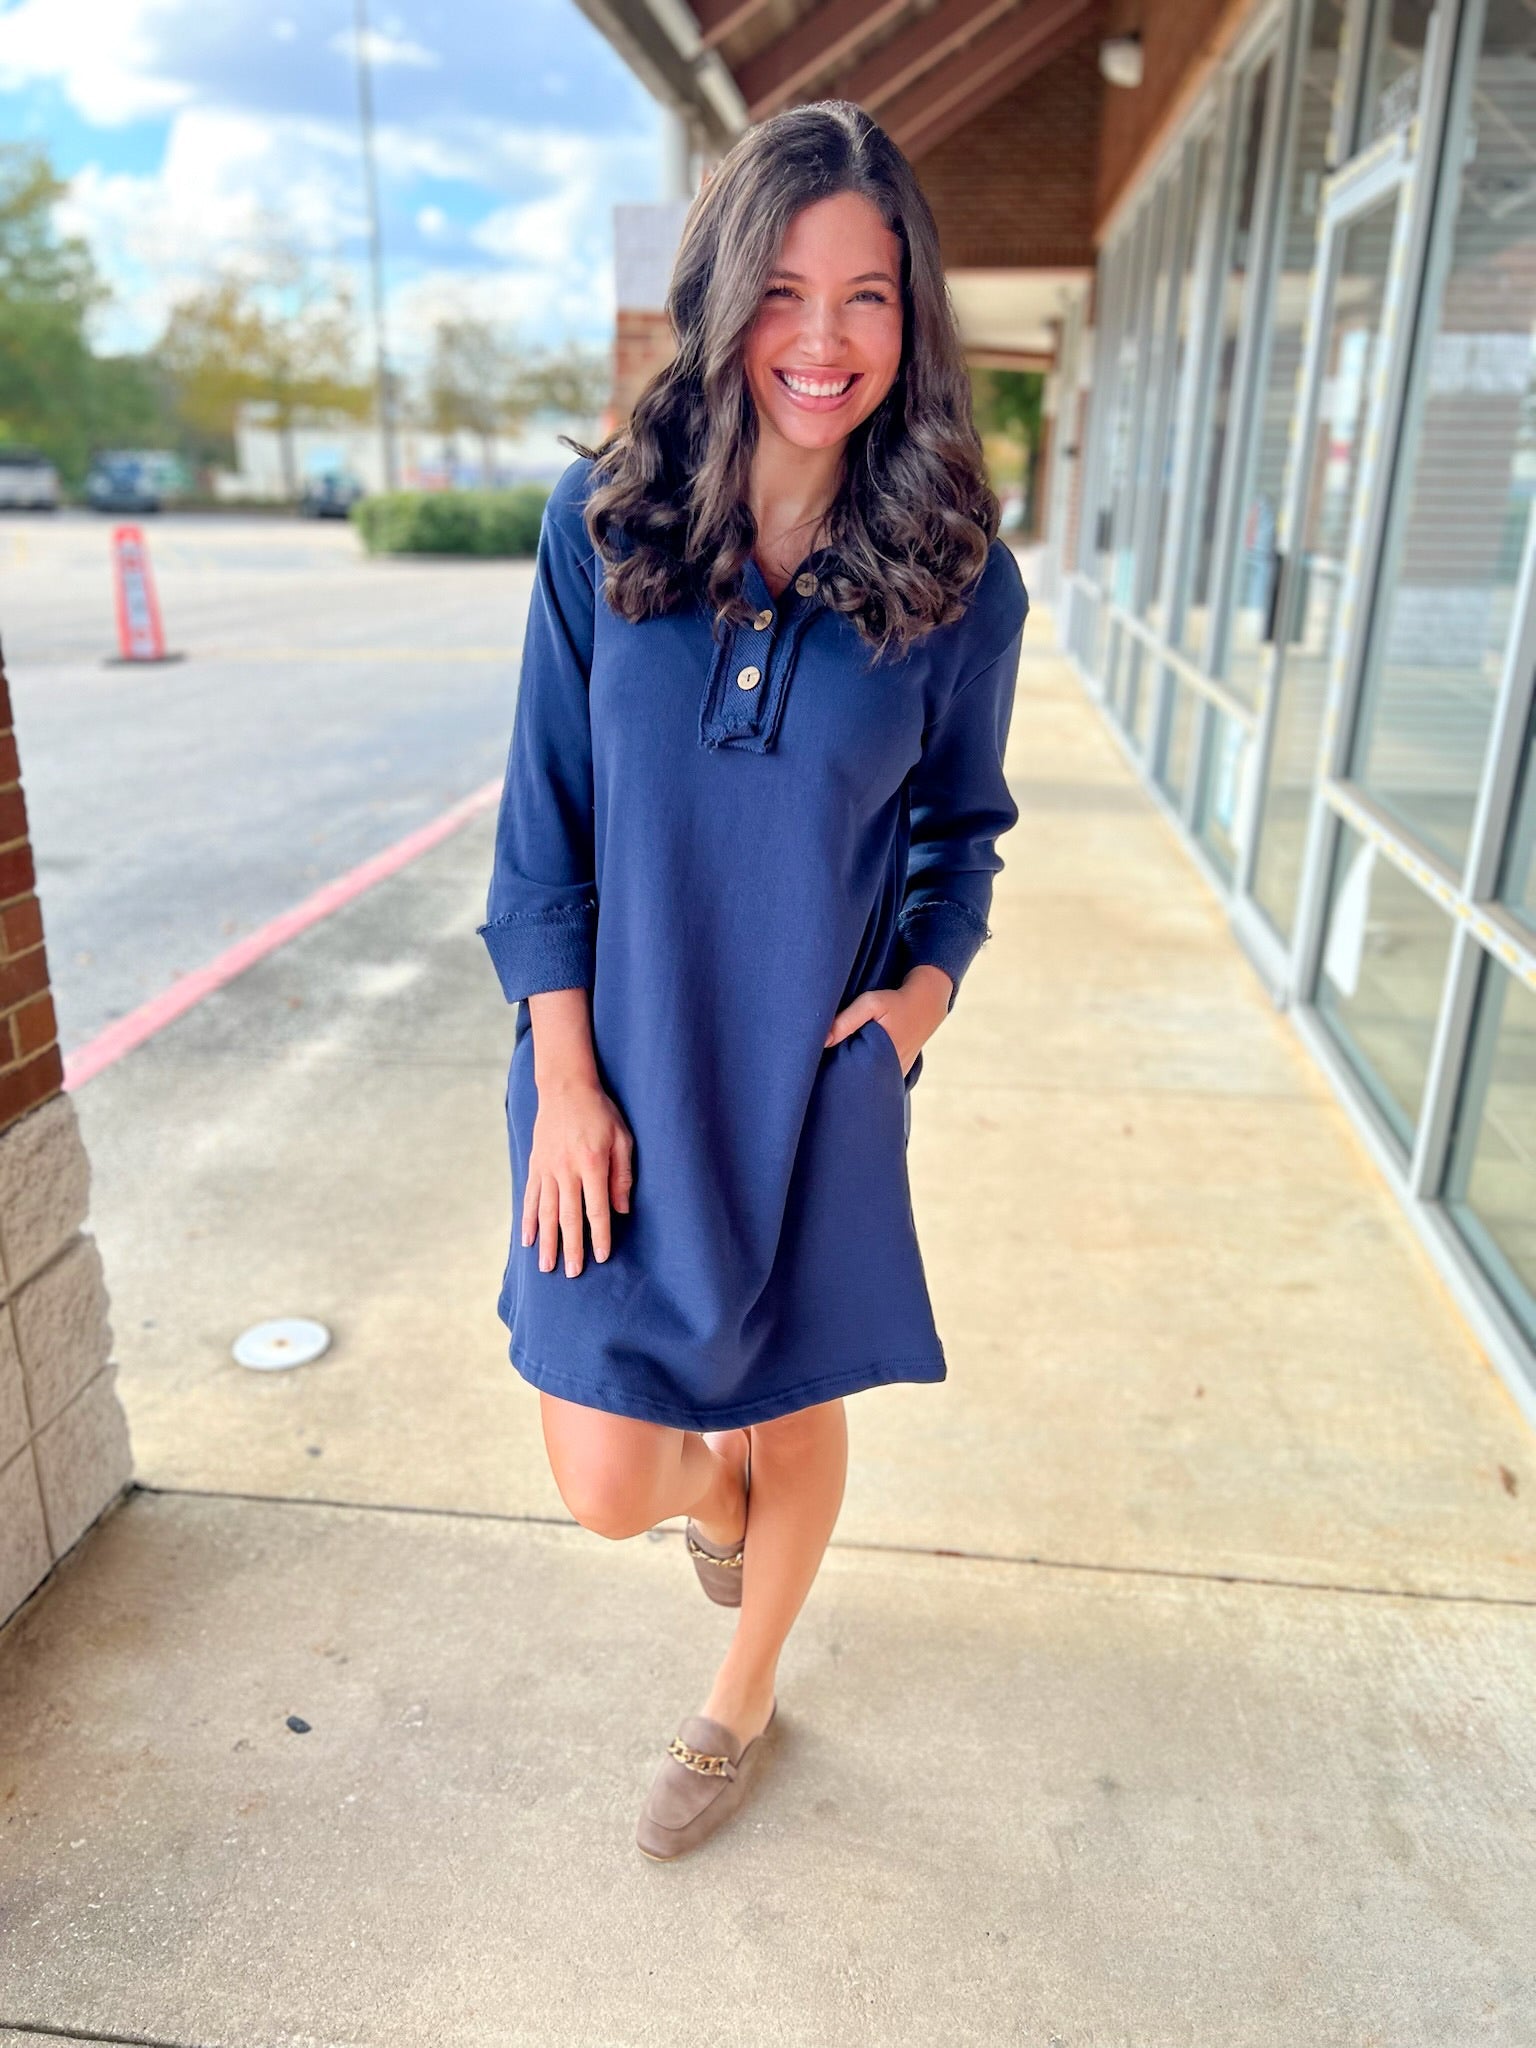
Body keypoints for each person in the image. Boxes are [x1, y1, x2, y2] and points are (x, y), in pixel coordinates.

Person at [477, 98, 1029, 1861]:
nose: (822, 339)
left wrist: (917, 1010)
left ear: (911, 319)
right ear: (724, 298)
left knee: (801, 1399)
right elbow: (542, 826)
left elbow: (962, 834)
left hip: (808, 1082)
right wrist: (566, 1080)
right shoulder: (603, 527)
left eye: (868, 297)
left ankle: (742, 1698)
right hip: (615, 1082)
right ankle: (712, 1491)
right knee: (607, 1480)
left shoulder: (959, 579)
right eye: (785, 290)